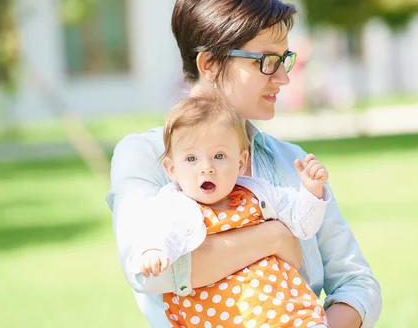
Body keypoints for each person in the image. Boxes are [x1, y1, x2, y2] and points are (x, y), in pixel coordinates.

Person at [107, 0, 382, 328]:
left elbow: (357, 283)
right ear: (210, 64)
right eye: (267, 61)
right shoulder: (145, 156)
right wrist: (273, 237)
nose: (283, 77)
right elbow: (150, 274)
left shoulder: (293, 162)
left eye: (285, 60)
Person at [141, 93, 331, 327]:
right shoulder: (175, 204)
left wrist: (311, 193)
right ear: (171, 168)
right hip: (218, 316)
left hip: (285, 310)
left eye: (219, 156)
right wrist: (154, 250)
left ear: (240, 163)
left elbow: (303, 225)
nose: (206, 168)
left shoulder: (258, 193)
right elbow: (160, 230)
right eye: (191, 158)